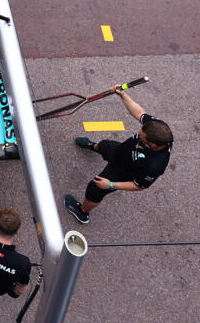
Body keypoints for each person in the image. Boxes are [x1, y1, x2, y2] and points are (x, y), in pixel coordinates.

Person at [63, 85, 173, 224]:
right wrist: (122, 95)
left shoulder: (155, 166)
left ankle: (83, 212)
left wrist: (111, 184)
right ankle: (93, 146)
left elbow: (139, 185)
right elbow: (140, 112)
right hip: (120, 151)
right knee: (104, 145)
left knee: (95, 188)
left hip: (122, 172)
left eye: (142, 136)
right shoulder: (158, 128)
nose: (138, 133)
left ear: (152, 145)